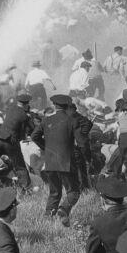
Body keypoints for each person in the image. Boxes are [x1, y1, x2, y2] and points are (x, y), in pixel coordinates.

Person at [31, 94, 88, 227]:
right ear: (68, 106)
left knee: (54, 192)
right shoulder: (72, 120)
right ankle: (64, 209)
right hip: (66, 162)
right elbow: (82, 143)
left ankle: (47, 217)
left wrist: (46, 147)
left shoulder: (45, 120)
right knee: (74, 191)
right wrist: (85, 155)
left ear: (54, 106)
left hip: (50, 162)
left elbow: (34, 136)